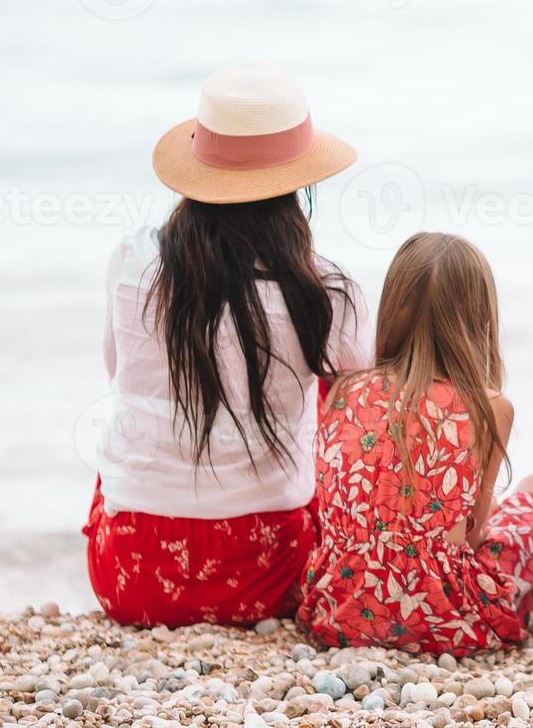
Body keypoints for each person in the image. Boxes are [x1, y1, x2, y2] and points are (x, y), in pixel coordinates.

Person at [86, 62, 371, 627]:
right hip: (268, 574)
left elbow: (116, 372)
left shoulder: (133, 260)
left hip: (133, 577)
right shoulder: (328, 292)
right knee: (336, 391)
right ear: (299, 182)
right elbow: (359, 411)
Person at [298, 232, 533, 655]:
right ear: (480, 319)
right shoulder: (488, 407)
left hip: (341, 611)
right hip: (445, 620)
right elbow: (471, 539)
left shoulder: (345, 391)